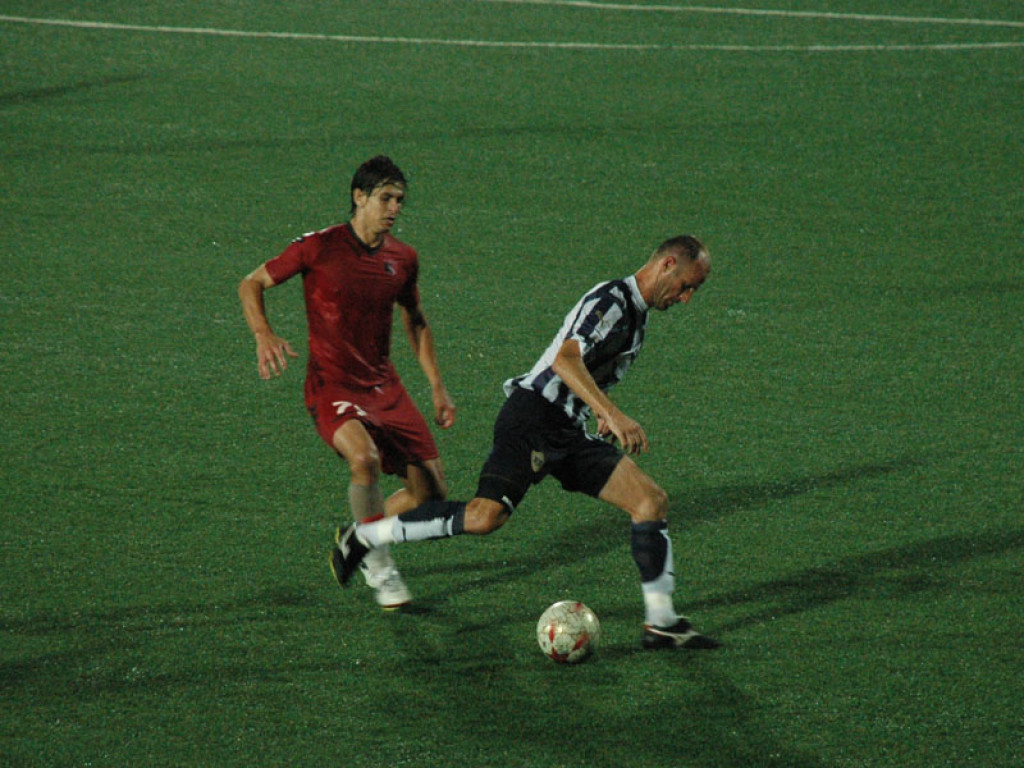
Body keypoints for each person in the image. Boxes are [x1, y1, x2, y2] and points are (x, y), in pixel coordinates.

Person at [332, 234, 720, 649]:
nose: (686, 299)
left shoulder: (637, 319)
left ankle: (661, 622)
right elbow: (565, 360)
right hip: (532, 418)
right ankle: (365, 536)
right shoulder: (612, 301)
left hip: (567, 430)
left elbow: (587, 372)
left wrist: (598, 410)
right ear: (667, 265)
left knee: (650, 501)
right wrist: (611, 412)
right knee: (485, 517)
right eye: (686, 286)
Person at [238, 155, 456, 610]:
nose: (394, 208)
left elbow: (415, 319)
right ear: (359, 197)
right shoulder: (319, 247)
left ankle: (357, 535)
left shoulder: (402, 258)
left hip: (384, 387)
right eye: (386, 198)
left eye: (400, 200)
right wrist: (263, 334)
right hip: (332, 386)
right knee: (364, 459)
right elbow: (251, 283)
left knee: (431, 494)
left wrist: (436, 385)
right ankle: (379, 564)